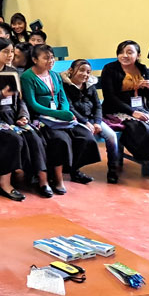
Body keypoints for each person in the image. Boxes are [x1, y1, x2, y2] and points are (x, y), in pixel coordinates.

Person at [0, 37, 45, 200]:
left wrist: (23, 116)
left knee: (33, 135)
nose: (10, 55)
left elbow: (20, 100)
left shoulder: (12, 71)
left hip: (11, 116)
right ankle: (5, 183)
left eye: (11, 52)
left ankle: (39, 178)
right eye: (6, 52)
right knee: (12, 139)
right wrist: (0, 94)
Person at [20, 45, 101, 194]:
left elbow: (62, 98)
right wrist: (57, 114)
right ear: (35, 60)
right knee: (60, 139)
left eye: (52, 58)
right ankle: (57, 179)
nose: (51, 61)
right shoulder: (27, 77)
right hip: (42, 118)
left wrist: (64, 112)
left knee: (86, 137)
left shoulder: (55, 75)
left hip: (60, 117)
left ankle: (73, 170)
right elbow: (33, 104)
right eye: (46, 58)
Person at [99, 41, 149, 172]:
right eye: (121, 52)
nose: (124, 55)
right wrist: (133, 113)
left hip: (143, 108)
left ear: (138, 55)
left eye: (129, 52)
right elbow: (110, 97)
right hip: (117, 110)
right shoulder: (110, 69)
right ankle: (143, 154)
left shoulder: (143, 69)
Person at [64, 59, 121, 184]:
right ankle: (75, 171)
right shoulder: (65, 87)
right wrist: (85, 122)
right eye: (81, 70)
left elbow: (98, 106)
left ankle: (113, 170)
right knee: (85, 138)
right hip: (76, 120)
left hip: (93, 120)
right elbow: (70, 108)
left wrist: (97, 122)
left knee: (112, 136)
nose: (85, 74)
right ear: (71, 70)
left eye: (88, 72)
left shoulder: (90, 86)